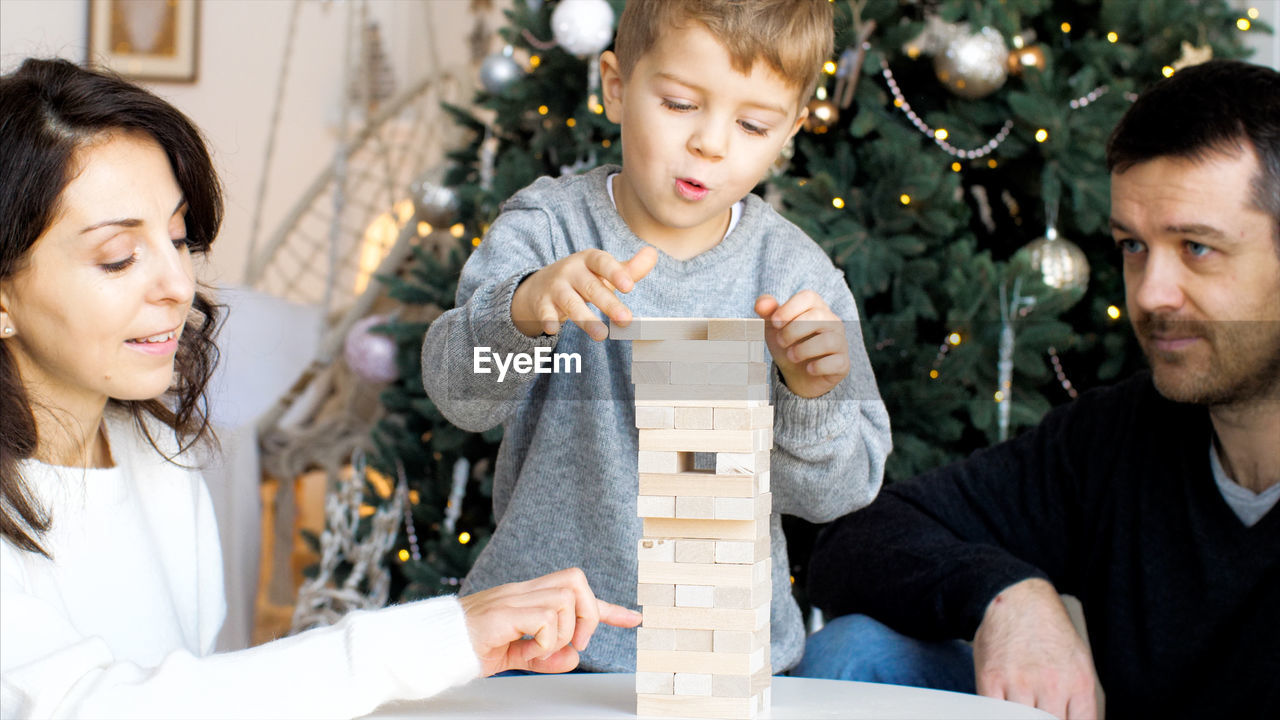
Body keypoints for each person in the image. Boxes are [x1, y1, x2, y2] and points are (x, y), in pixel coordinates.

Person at [0, 58, 639, 719]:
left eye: (179, 237)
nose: (177, 286)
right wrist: (445, 634)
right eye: (117, 257)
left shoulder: (155, 445)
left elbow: (206, 690)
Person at [794, 59, 1280, 718]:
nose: (1152, 294)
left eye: (1197, 247)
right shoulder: (1119, 436)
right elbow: (856, 541)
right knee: (854, 656)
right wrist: (1007, 594)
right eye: (1133, 247)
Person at [421, 0, 891, 673]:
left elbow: (838, 494)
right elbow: (459, 398)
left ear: (788, 132)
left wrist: (810, 396)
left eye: (753, 124)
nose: (711, 143)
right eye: (678, 104)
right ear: (616, 86)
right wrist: (523, 310)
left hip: (724, 667)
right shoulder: (549, 229)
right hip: (542, 649)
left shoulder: (797, 277)